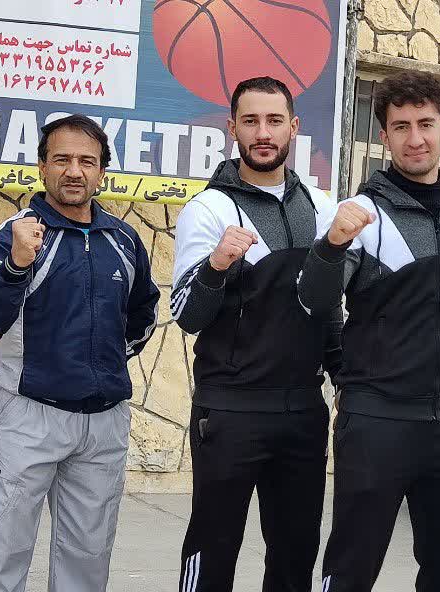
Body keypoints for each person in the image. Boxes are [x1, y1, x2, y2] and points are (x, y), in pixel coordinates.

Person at [297, 71, 440, 592]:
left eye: (426, 124)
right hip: (378, 420)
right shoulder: (361, 215)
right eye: (401, 126)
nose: (415, 139)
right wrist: (331, 246)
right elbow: (314, 300)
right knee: (351, 568)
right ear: (384, 136)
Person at [0, 114, 161, 591]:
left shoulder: (123, 240)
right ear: (42, 166)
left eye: (86, 162)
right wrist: (15, 265)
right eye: (62, 159)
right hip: (27, 416)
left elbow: (143, 314)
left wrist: (101, 366)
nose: (74, 171)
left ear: (102, 172)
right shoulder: (16, 233)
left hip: (103, 424)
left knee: (87, 564)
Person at [171, 76, 342, 592]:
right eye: (250, 121)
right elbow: (187, 315)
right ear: (232, 129)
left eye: (273, 120)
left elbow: (329, 310)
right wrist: (216, 266)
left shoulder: (322, 207)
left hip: (303, 411)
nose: (262, 132)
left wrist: (345, 384)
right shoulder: (209, 209)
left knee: (294, 558)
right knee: (212, 551)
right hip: (230, 410)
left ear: (294, 127)